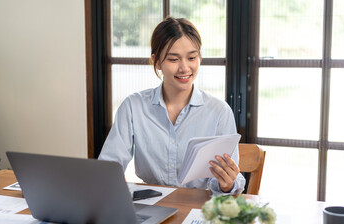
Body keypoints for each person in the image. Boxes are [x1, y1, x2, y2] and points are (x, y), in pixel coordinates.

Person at [98, 17, 245, 195]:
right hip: (148, 203)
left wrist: (226, 184)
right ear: (157, 61)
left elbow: (227, 180)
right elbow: (109, 165)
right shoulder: (133, 107)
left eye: (192, 57)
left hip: (196, 207)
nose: (185, 68)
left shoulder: (219, 112)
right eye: (174, 59)